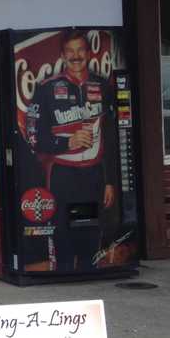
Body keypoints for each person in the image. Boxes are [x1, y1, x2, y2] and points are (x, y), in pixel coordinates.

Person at [27, 30, 118, 272]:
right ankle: (65, 276)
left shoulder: (103, 86)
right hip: (63, 175)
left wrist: (110, 181)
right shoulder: (46, 88)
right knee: (63, 232)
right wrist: (67, 143)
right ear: (62, 55)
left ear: (88, 53)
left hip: (94, 175)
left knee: (88, 231)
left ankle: (88, 273)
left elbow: (112, 137)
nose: (75, 56)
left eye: (80, 50)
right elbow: (34, 136)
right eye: (70, 51)